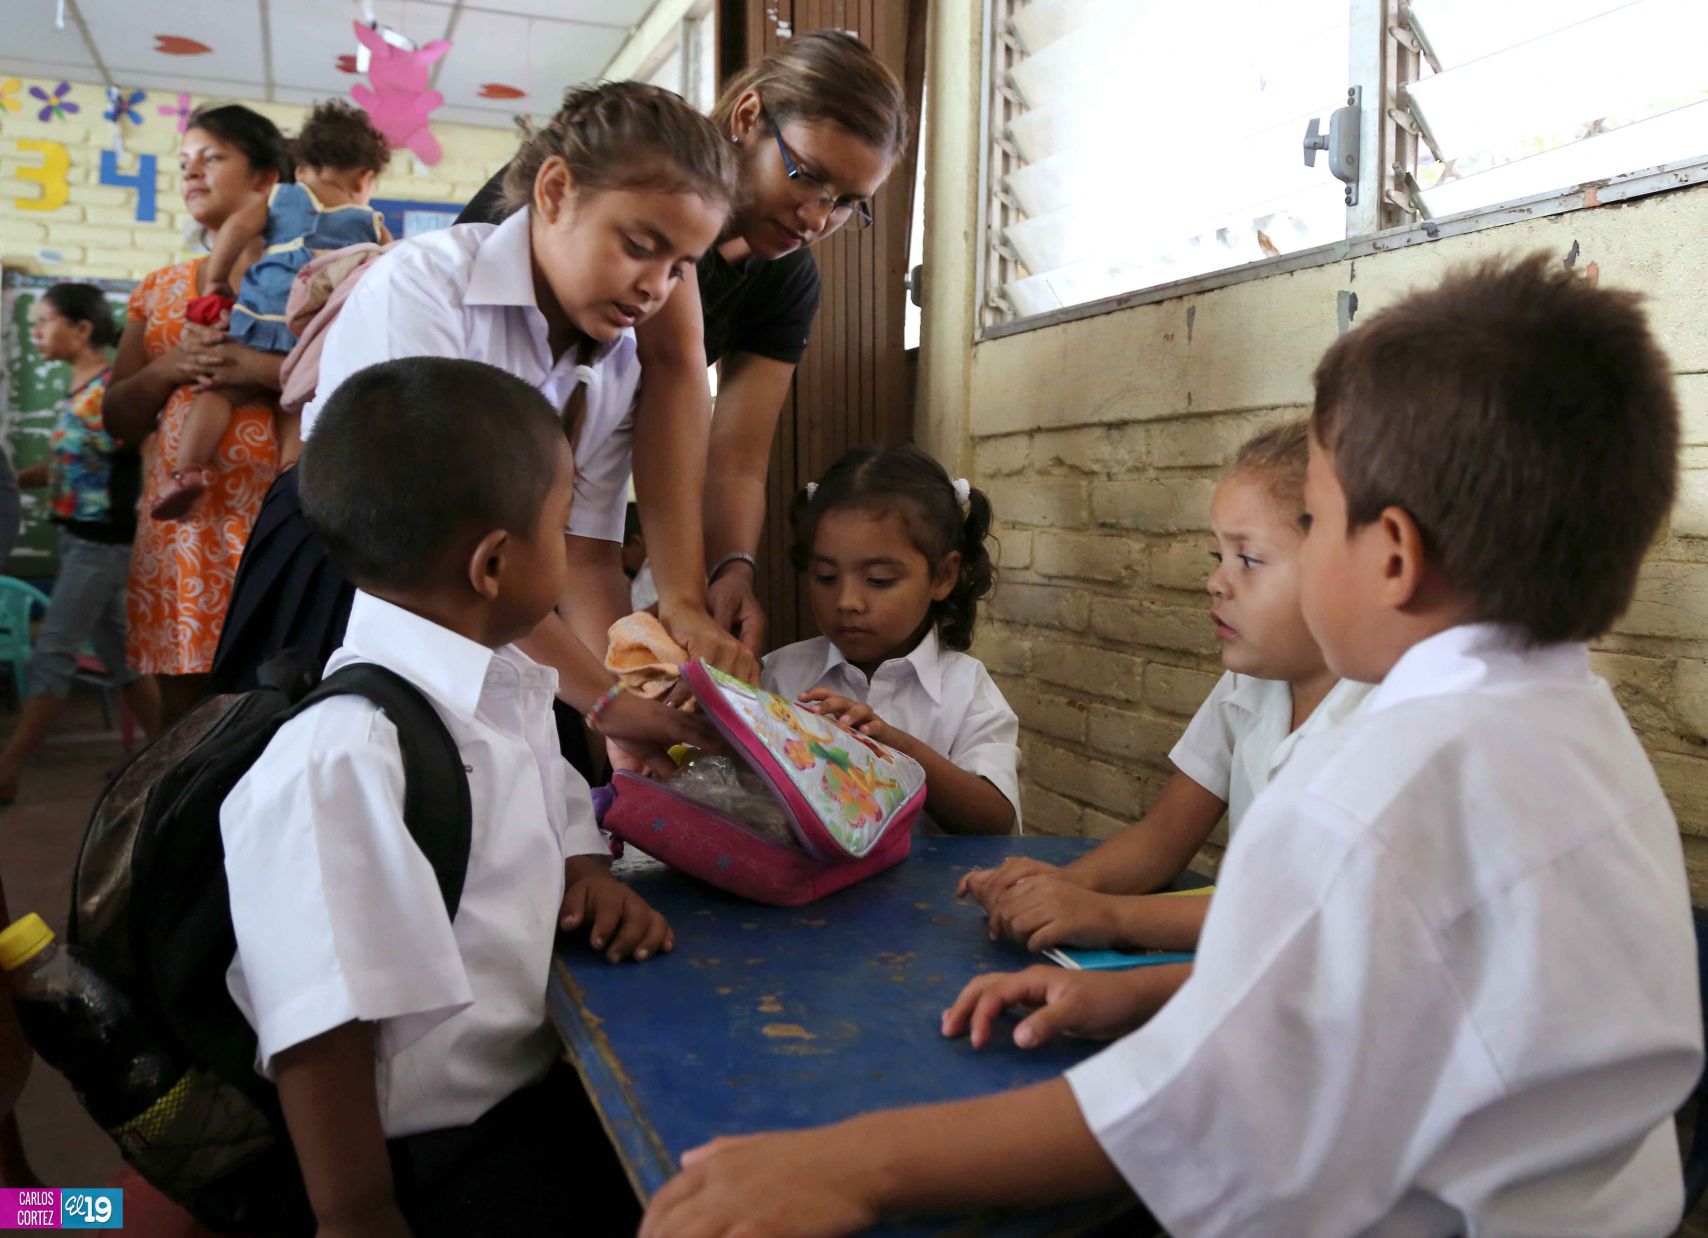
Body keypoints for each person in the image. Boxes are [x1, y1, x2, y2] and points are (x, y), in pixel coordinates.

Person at [638, 255, 1701, 1237]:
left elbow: (1188, 1113)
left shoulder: (1370, 784)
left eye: (1312, 522)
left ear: (1390, 557)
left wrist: (852, 1164)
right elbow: (1349, 992)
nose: (1223, 574)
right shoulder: (1579, 732)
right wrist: (1132, 989)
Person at [222, 357, 670, 1236]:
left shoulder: (504, 681)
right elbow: (322, 1033)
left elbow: (554, 808)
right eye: (562, 522)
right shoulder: (342, 757)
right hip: (429, 1164)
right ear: (495, 563)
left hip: (541, 1087)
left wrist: (587, 875)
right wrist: (360, 1216)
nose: (592, 548)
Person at [211, 82, 734, 775]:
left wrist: (629, 686)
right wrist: (603, 702)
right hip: (349, 572)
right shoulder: (424, 288)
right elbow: (436, 560)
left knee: (479, 824)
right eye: (640, 246)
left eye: (678, 270)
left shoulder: (612, 364)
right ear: (554, 191)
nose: (654, 288)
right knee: (324, 794)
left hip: (501, 606)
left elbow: (582, 558)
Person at [461, 33, 909, 658]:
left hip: (583, 505)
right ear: (748, 117)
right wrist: (680, 600)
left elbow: (735, 458)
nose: (816, 217)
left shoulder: (785, 281)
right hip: (470, 485)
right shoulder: (637, 167)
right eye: (807, 176)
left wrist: (728, 570)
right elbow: (670, 364)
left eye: (846, 205)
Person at [961, 422, 1369, 953]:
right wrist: (1059, 887)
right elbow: (1163, 838)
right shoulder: (1249, 682)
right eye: (1216, 557)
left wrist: (1108, 914)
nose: (1216, 581)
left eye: (1248, 559)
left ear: (1345, 569)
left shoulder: (1380, 721)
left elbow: (1292, 912)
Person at [104, 105, 289, 726]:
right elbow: (117, 419)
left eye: (213, 157)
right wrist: (168, 369)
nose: (191, 173)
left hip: (278, 530)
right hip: (181, 540)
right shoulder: (156, 291)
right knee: (182, 731)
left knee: (277, 715)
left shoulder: (310, 280)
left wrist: (261, 371)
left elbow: (351, 390)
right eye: (184, 162)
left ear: (266, 179)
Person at [152, 100, 392, 520]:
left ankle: (186, 470)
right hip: (313, 334)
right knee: (298, 407)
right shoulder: (370, 222)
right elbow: (392, 270)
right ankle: (291, 481)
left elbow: (235, 229)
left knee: (219, 393)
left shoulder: (283, 197)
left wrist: (216, 280)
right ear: (366, 177)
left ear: (299, 169)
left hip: (260, 319)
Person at [762, 445, 1018, 836]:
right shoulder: (778, 676)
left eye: (879, 580)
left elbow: (996, 819)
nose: (847, 602)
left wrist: (894, 747)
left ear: (942, 576)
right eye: (826, 577)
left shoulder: (966, 689)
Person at [0, 285, 160, 803]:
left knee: (54, 652)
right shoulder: (77, 392)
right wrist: (12, 481)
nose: (36, 331)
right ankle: (175, 755)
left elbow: (151, 453)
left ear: (82, 329)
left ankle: (7, 769)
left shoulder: (115, 390)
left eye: (45, 322)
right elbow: (68, 468)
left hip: (102, 547)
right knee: (125, 662)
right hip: (77, 542)